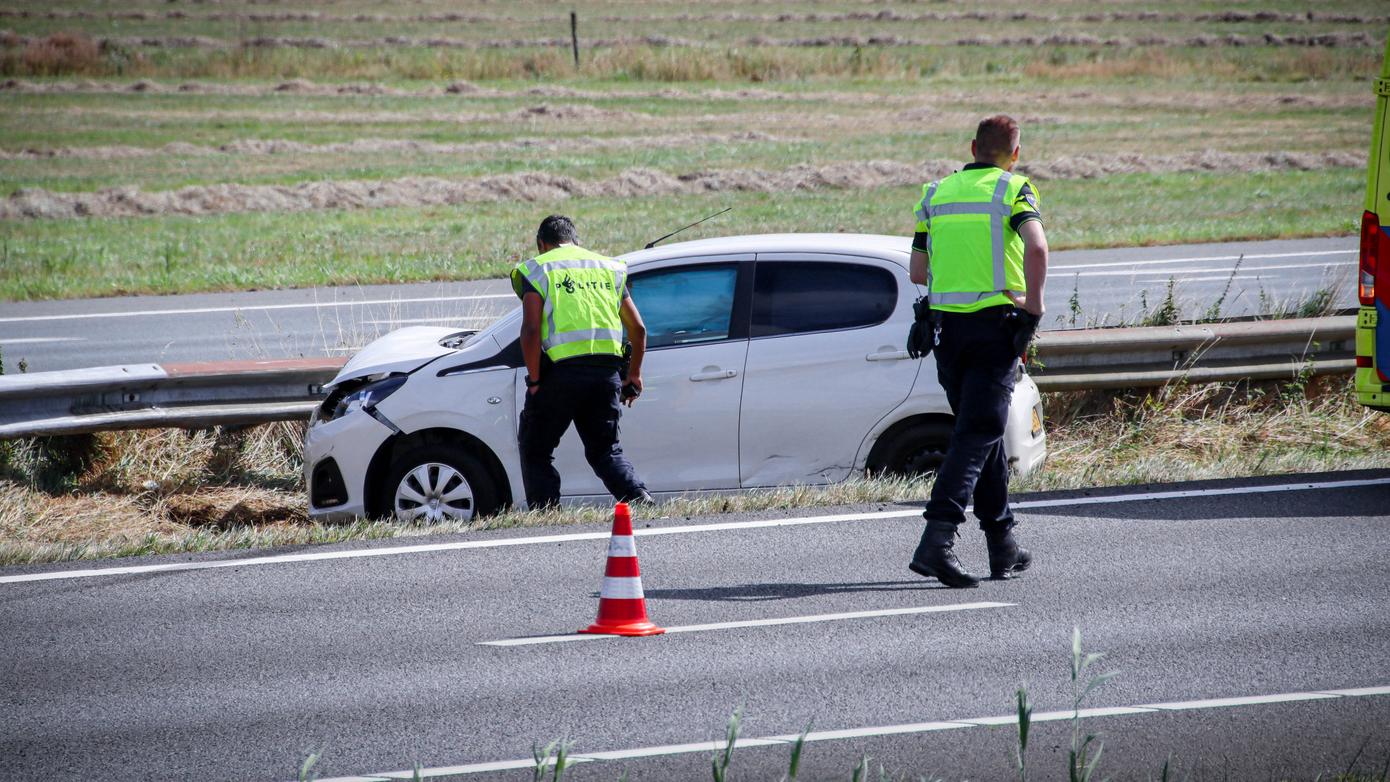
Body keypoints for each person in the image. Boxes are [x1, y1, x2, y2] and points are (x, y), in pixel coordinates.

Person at [906, 114, 1049, 588]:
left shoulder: (936, 193)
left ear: (971, 148)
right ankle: (937, 541)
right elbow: (1037, 247)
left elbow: (918, 271)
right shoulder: (1013, 189)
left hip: (948, 335)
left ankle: (1002, 543)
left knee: (980, 435)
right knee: (979, 432)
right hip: (994, 327)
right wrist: (1033, 305)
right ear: (1014, 154)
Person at [511, 215, 653, 510]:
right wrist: (634, 375)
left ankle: (547, 515)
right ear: (576, 240)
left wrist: (535, 380)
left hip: (559, 376)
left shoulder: (538, 269)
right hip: (605, 375)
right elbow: (638, 329)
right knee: (606, 451)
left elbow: (531, 330)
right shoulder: (608, 268)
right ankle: (641, 500)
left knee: (536, 451)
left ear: (542, 244)